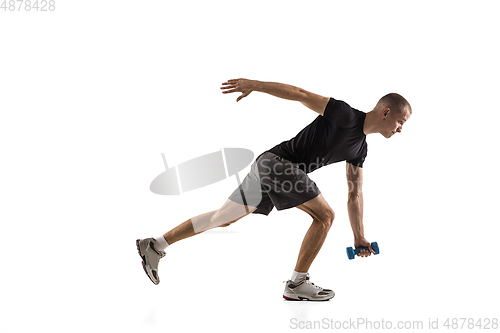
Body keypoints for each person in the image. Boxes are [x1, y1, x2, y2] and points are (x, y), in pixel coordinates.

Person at [136, 78, 412, 301]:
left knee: (222, 217)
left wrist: (359, 236)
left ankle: (155, 244)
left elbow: (354, 193)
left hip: (269, 167)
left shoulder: (360, 149)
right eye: (401, 121)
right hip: (277, 164)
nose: (400, 129)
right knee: (325, 216)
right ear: (386, 112)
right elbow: (299, 93)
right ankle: (297, 283)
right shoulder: (345, 114)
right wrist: (254, 84)